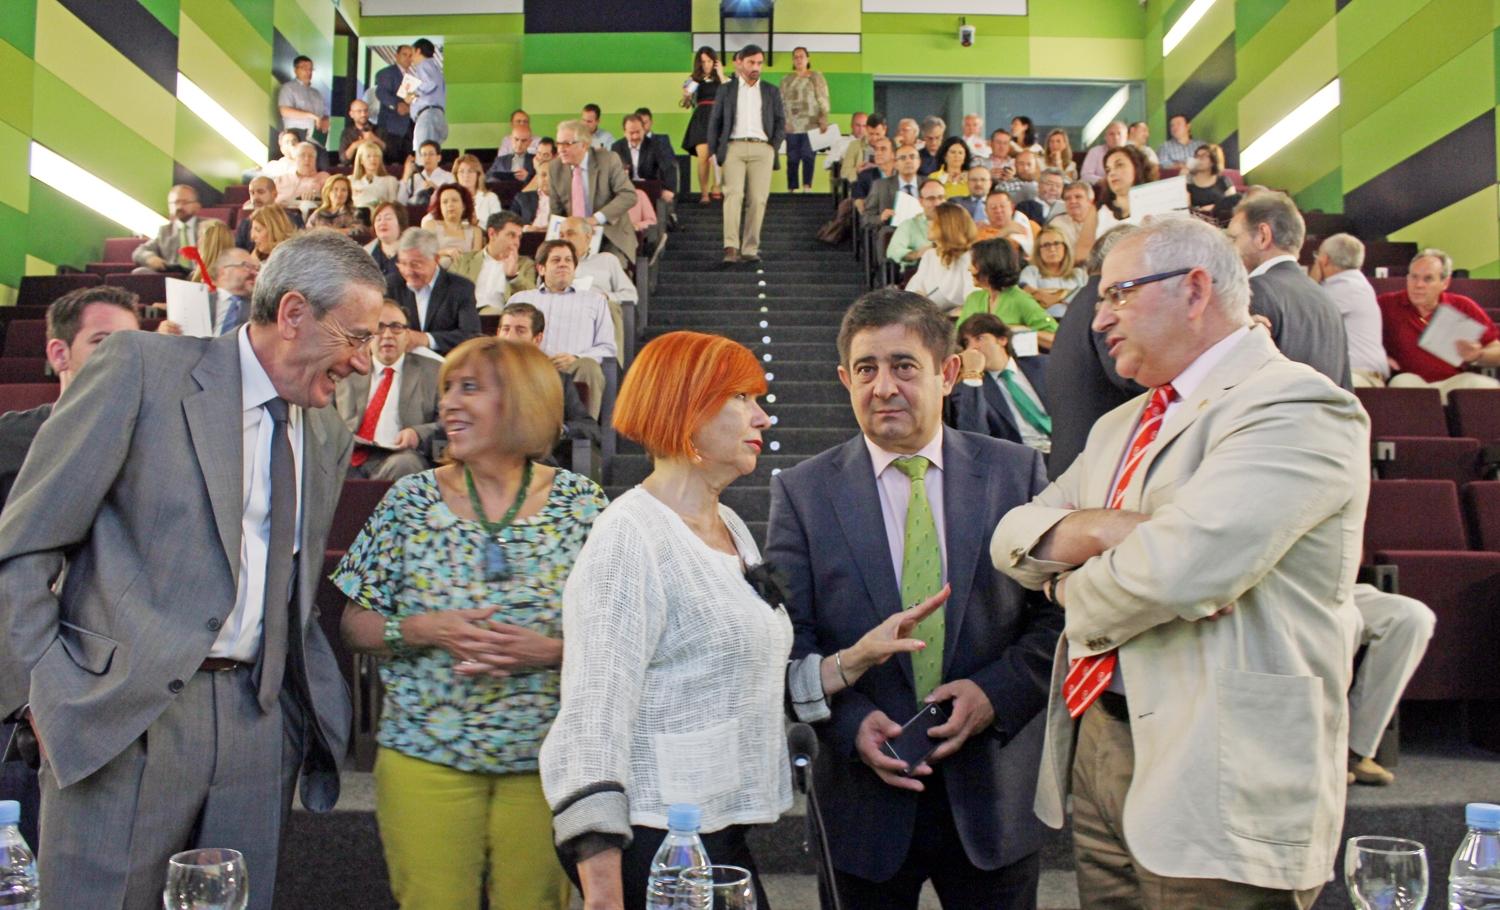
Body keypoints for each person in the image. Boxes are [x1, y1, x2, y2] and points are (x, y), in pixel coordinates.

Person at [0, 230, 385, 910]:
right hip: (124, 717)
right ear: (293, 312)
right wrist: (51, 688)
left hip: (259, 727)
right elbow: (24, 544)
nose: (362, 363)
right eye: (355, 337)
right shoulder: (140, 369)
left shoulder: (324, 429)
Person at [991, 215, 1367, 908]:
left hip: (1221, 775)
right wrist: (1109, 529)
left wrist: (1067, 587)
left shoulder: (1298, 406)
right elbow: (1011, 537)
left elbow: (1176, 571)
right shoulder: (1120, 426)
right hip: (1100, 745)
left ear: (1195, 290)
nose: (1098, 318)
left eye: (1117, 294)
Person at [767, 289, 1062, 909]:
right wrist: (848, 726)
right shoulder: (802, 492)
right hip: (862, 802)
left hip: (994, 792)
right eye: (867, 369)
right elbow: (791, 637)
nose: (884, 387)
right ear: (845, 378)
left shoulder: (1018, 474)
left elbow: (1055, 616)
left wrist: (993, 694)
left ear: (948, 373)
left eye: (904, 366)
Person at [336, 336, 605, 910]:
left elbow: (620, 637)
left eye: (471, 388)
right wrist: (423, 629)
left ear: (524, 401)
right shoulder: (408, 500)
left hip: (547, 763)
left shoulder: (584, 504)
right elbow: (353, 623)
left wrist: (551, 651)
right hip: (423, 757)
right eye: (446, 390)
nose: (448, 405)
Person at [539, 331, 785, 908]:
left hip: (715, 832)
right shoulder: (629, 537)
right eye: (743, 399)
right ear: (688, 409)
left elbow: (728, 669)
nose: (764, 417)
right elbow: (590, 720)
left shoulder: (732, 525)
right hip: (656, 846)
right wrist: (604, 897)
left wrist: (850, 665)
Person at [0, 286, 140, 506]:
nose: (125, 356)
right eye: (103, 342)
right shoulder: (7, 438)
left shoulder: (152, 441)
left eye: (133, 344)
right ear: (59, 355)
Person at [1042, 225, 1145, 478]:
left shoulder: (1083, 300)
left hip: (1080, 460)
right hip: (1097, 466)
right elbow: (1128, 379)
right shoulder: (1104, 306)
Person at [1226, 192, 1352, 389]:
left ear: (1262, 236)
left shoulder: (1254, 290)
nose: (1230, 248)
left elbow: (1235, 382)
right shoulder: (1327, 301)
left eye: (1234, 238)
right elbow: (1346, 389)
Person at [507, 240, 616, 420]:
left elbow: (607, 347)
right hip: (531, 367)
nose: (563, 264)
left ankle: (584, 436)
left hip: (574, 368)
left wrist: (576, 358)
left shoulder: (595, 301)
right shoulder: (521, 299)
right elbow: (507, 339)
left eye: (568, 260)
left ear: (575, 268)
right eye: (556, 260)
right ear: (541, 269)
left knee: (590, 366)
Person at [333, 300, 440, 481]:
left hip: (399, 457)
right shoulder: (346, 369)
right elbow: (322, 415)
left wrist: (418, 433)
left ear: (407, 335)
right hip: (350, 455)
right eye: (380, 327)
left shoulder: (434, 371)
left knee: (406, 464)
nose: (388, 335)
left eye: (396, 327)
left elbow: (447, 421)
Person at [1379, 248, 1500, 397]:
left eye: (1428, 279)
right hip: (1409, 380)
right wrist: (1379, 357)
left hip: (1453, 381)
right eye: (1414, 277)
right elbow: (1355, 337)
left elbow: (1496, 349)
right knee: (1403, 382)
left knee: (1488, 386)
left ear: (1445, 282)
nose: (1418, 285)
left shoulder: (1462, 306)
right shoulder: (1386, 304)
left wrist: (1478, 354)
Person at [1347, 585, 1435, 786]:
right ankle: (1320, 753)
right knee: (1342, 620)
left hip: (1341, 586)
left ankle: (1354, 748)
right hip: (1281, 587)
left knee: (1413, 617)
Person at [706, 45, 786, 265]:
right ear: (740, 62)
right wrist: (712, 150)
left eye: (759, 63)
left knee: (758, 199)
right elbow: (715, 121)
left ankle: (750, 248)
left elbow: (781, 121)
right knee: (733, 195)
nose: (756, 67)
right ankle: (731, 247)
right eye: (751, 62)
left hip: (763, 148)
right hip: (733, 147)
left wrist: (773, 146)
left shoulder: (771, 90)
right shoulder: (726, 89)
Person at [496, 303, 600, 460]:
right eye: (506, 329)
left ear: (537, 339)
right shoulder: (476, 377)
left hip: (538, 462)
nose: (510, 337)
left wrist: (558, 430)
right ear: (497, 333)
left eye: (520, 330)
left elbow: (590, 428)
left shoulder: (557, 381)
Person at [949, 313, 1051, 453]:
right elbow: (974, 436)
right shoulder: (969, 389)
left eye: (979, 338)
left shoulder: (1043, 366)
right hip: (1022, 458)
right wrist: (973, 374)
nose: (972, 348)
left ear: (1002, 339)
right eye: (967, 343)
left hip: (1065, 449)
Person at [547, 120, 639, 266]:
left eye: (567, 144)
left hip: (609, 236)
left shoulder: (608, 160)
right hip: (572, 238)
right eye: (558, 144)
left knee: (606, 273)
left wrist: (595, 219)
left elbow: (628, 195)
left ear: (584, 145)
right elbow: (556, 212)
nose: (560, 149)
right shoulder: (555, 168)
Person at [388, 227, 481, 355]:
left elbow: (472, 336)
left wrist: (427, 339)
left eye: (416, 264)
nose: (408, 271)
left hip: (446, 367)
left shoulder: (460, 288)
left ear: (436, 259)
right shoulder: (391, 285)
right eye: (403, 264)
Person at [1312, 233, 1389, 387]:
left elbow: (1302, 314)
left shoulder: (1344, 287)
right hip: (1356, 375)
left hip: (1359, 377)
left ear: (1324, 259)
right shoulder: (1356, 283)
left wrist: (1312, 281)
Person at [957, 237, 1058, 349]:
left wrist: (1022, 331)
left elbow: (1057, 339)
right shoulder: (973, 299)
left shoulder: (1021, 300)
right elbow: (957, 339)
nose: (969, 269)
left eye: (974, 263)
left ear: (989, 264)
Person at [449, 211, 538, 315]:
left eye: (519, 237)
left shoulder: (525, 264)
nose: (516, 242)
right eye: (511, 235)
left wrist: (514, 277)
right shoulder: (463, 260)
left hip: (500, 321)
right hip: (463, 316)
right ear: (492, 234)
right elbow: (446, 291)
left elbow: (532, 300)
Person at [158, 248, 259, 337]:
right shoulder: (195, 300)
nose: (254, 273)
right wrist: (163, 332)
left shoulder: (260, 308)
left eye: (256, 269)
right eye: (246, 266)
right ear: (223, 272)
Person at [907, 202, 978, 312]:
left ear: (947, 225)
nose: (928, 224)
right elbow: (914, 290)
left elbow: (974, 298)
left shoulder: (969, 257)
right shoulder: (929, 256)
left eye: (932, 220)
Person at [781, 46, 830, 193]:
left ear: (808, 58)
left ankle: (807, 186)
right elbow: (781, 102)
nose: (799, 59)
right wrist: (782, 121)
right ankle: (792, 188)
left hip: (812, 124)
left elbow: (823, 98)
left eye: (801, 56)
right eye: (796, 57)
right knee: (792, 158)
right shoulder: (786, 80)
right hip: (791, 125)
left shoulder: (816, 77)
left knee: (808, 156)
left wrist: (824, 117)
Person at [133, 185, 214, 273]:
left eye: (185, 202)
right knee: (140, 271)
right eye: (175, 203)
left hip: (204, 275)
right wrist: (149, 257)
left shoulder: (211, 227)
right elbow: (139, 251)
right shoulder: (165, 231)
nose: (179, 207)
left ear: (197, 206)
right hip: (174, 275)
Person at [681, 46, 727, 202]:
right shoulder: (693, 79)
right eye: (703, 62)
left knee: (721, 154)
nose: (706, 64)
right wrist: (687, 94)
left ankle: (717, 186)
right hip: (701, 116)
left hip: (718, 116)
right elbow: (686, 102)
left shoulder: (722, 78)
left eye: (709, 61)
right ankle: (704, 193)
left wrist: (720, 73)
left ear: (714, 61)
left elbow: (730, 92)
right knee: (703, 157)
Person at [1020, 228, 1087, 315]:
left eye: (1056, 243)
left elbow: (1087, 302)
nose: (1052, 249)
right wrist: (1066, 295)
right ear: (1038, 250)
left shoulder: (1079, 274)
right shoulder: (1031, 272)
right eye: (1046, 245)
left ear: (1065, 247)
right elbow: (1029, 296)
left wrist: (1056, 297)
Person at [1093, 145, 1157, 235]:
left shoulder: (1157, 205)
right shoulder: (1100, 211)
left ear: (1137, 167)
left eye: (1119, 165)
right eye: (1108, 170)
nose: (1112, 173)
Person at [886, 179, 947, 265]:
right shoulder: (909, 225)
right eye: (931, 199)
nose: (937, 203)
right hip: (920, 272)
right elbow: (893, 252)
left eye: (941, 197)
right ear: (921, 201)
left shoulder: (956, 223)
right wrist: (918, 254)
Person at [862, 143, 921, 231]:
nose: (908, 161)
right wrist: (881, 218)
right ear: (895, 164)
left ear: (919, 162)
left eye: (912, 157)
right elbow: (865, 220)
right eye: (903, 158)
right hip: (892, 237)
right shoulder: (880, 186)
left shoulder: (929, 184)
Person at [234, 176, 303, 251]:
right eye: (252, 193)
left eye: (260, 192)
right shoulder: (245, 224)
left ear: (274, 194)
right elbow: (239, 251)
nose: (255, 197)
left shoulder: (292, 219)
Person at [374, 45, 414, 163]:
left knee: (405, 163)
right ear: (396, 56)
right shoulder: (387, 73)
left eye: (410, 55)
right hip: (389, 127)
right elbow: (381, 93)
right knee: (389, 163)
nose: (407, 58)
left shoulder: (411, 77)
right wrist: (396, 105)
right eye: (404, 54)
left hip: (406, 127)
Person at [405, 38, 447, 151]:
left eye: (412, 53)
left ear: (418, 51)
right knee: (432, 152)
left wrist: (414, 93)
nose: (411, 57)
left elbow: (430, 84)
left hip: (428, 116)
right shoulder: (434, 67)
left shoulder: (423, 65)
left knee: (424, 154)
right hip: (436, 115)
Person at [420, 183, 483, 257]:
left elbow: (476, 261)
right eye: (445, 202)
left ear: (463, 206)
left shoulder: (475, 231)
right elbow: (423, 253)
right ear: (440, 207)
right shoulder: (430, 225)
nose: (450, 205)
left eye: (454, 200)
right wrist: (446, 252)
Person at [277, 55, 328, 141]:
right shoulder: (288, 88)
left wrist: (326, 121)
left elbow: (323, 114)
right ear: (295, 70)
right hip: (296, 134)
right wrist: (311, 116)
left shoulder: (316, 93)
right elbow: (284, 111)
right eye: (304, 68)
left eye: (310, 69)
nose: (308, 72)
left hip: (316, 136)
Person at [1047, 181, 1096, 262]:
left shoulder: (1103, 221)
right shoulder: (1056, 223)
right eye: (1067, 198)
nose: (1072, 201)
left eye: (1078, 197)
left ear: (1090, 201)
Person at [398, 139, 454, 206]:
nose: (427, 158)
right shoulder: (415, 178)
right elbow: (400, 202)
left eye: (431, 154)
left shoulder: (449, 177)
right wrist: (406, 176)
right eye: (424, 155)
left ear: (439, 158)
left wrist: (436, 189)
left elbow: (453, 199)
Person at [274, 141, 329, 209]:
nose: (307, 159)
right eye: (302, 155)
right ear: (295, 158)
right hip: (278, 214)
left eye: (311, 156)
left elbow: (330, 199)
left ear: (315, 160)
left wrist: (317, 196)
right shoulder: (281, 179)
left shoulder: (323, 177)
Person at [1186, 143, 1237, 216]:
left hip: (1220, 221)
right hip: (1196, 222)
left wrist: (1216, 207)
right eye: (1196, 156)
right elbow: (1184, 208)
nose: (1198, 159)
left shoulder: (1224, 180)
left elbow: (1233, 204)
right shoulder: (1188, 182)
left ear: (1213, 160)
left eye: (1203, 156)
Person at [453, 153, 502, 227]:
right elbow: (429, 219)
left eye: (470, 171)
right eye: (461, 171)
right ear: (456, 176)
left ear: (478, 174)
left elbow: (498, 227)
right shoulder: (449, 198)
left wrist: (477, 223)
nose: (466, 175)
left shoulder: (491, 198)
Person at [351, 139, 400, 209]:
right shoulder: (350, 181)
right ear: (361, 160)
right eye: (368, 156)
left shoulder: (390, 181)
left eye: (376, 156)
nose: (373, 159)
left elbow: (393, 205)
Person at [365, 201, 408, 279]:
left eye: (388, 218)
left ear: (400, 223)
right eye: (378, 219)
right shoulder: (366, 253)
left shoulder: (412, 251)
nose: (382, 223)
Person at [339, 98, 383, 164]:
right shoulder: (347, 133)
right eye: (359, 111)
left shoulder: (378, 129)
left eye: (366, 111)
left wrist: (375, 139)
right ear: (351, 114)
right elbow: (344, 159)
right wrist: (355, 145)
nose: (363, 114)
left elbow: (390, 155)